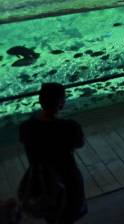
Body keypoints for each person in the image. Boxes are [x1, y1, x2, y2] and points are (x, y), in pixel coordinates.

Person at [19, 83, 86, 224]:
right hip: (68, 178)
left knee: (50, 213)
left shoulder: (26, 127)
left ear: (40, 101)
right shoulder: (70, 127)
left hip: (40, 179)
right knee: (68, 213)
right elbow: (80, 143)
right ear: (61, 103)